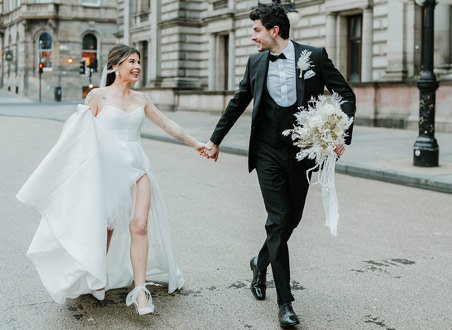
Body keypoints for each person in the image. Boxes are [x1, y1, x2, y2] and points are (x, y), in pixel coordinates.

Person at [17, 44, 205, 316]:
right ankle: (96, 275)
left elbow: (168, 125)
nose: (137, 66)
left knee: (139, 225)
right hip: (107, 170)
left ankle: (140, 292)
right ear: (115, 66)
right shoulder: (98, 97)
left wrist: (196, 143)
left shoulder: (142, 99)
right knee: (104, 228)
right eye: (131, 61)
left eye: (139, 61)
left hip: (138, 167)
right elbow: (76, 136)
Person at [202, 4, 356, 327]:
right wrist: (215, 140)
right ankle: (285, 303)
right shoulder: (256, 62)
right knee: (277, 220)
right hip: (267, 153)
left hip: (302, 154)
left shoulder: (313, 57)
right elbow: (238, 101)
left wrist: (342, 134)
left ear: (274, 31)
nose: (252, 36)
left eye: (256, 30)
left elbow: (345, 94)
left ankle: (259, 262)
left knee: (292, 218)